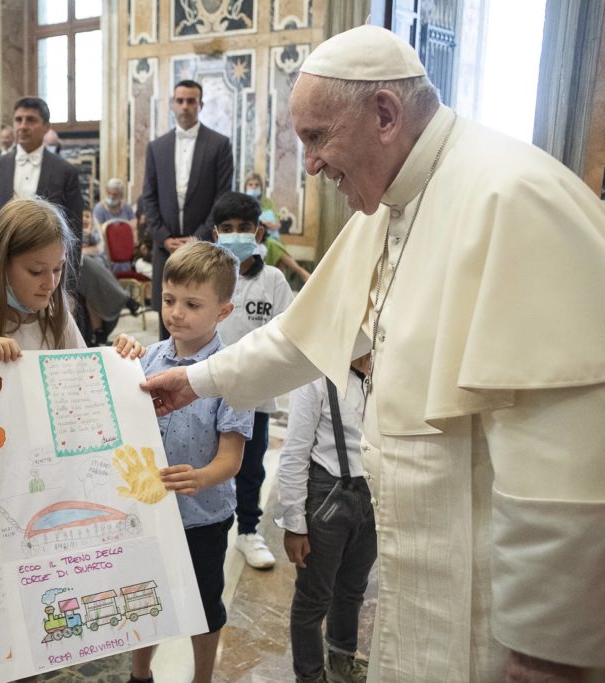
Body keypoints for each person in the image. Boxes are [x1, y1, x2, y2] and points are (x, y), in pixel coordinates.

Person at [141, 25, 605, 681]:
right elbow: (302, 336)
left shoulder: (513, 196)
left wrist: (549, 649)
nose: (308, 164)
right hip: (416, 585)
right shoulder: (391, 206)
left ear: (385, 114)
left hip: (494, 615)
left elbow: (567, 458)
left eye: (316, 137)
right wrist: (197, 379)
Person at [129, 241, 253, 683]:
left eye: (191, 304)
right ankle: (140, 673)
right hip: (150, 510)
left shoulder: (233, 372)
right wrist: (121, 359)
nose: (175, 313)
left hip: (203, 518)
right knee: (148, 599)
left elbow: (231, 458)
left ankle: (202, 677)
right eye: (168, 300)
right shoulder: (148, 358)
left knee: (203, 603)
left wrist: (200, 477)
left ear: (223, 311)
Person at [0, 198, 142, 362]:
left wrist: (119, 359)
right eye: (35, 271)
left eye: (58, 269)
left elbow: (84, 392)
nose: (50, 284)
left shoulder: (59, 321)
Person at [276, 358, 375, 683]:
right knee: (313, 597)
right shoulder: (318, 375)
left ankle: (341, 658)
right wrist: (294, 524)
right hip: (327, 494)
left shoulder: (386, 372)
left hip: (372, 496)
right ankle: (309, 675)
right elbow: (294, 452)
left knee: (352, 588)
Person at [212, 192, 294, 570]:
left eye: (243, 229)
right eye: (226, 229)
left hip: (256, 396)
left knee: (251, 467)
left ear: (258, 233)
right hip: (209, 393)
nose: (235, 236)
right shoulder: (208, 276)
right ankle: (206, 530)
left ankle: (248, 531)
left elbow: (288, 331)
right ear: (215, 233)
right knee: (206, 463)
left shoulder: (273, 280)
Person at [142, 80, 233, 339]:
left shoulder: (219, 145)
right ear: (172, 104)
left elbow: (222, 196)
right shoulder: (156, 147)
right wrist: (163, 237)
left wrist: (197, 237)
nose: (185, 107)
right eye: (180, 101)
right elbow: (149, 196)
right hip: (165, 247)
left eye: (191, 101)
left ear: (200, 105)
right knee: (167, 313)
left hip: (201, 246)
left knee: (198, 310)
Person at [0, 97, 84, 266]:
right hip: (0, 264)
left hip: (46, 266)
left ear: (46, 127)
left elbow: (74, 232)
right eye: (18, 120)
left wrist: (68, 285)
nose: (23, 126)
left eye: (31, 120)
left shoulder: (65, 172)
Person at [77, 207, 141, 345]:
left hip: (98, 265)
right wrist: (83, 252)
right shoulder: (73, 229)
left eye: (88, 216)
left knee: (89, 267)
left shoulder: (94, 231)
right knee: (86, 271)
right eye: (82, 216)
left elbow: (98, 249)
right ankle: (125, 299)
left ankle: (98, 332)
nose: (85, 219)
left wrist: (82, 251)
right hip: (82, 267)